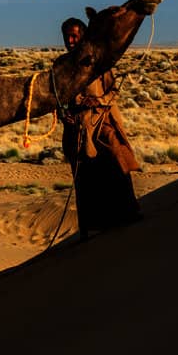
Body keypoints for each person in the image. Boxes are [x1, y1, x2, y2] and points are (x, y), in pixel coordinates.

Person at [60, 15, 142, 233]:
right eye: (67, 37)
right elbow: (57, 97)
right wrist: (63, 113)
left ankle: (129, 212)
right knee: (84, 178)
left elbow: (112, 91)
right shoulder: (61, 66)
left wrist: (99, 101)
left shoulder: (99, 63)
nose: (70, 42)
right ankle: (89, 227)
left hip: (101, 121)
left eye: (74, 36)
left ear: (83, 36)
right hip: (76, 128)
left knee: (118, 158)